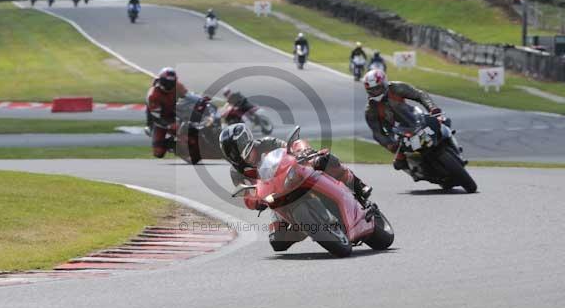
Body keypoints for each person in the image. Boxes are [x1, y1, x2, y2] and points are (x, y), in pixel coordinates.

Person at [219, 123, 372, 251]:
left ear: (246, 140)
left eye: (235, 148)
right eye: (230, 151)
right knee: (277, 241)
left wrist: (303, 151)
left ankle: (358, 185)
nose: (234, 154)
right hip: (277, 198)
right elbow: (247, 193)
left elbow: (290, 148)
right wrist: (255, 201)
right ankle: (311, 227)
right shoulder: (236, 172)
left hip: (296, 176)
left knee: (324, 160)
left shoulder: (267, 143)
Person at [363, 69, 444, 171]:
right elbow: (377, 133)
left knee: (441, 122)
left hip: (415, 118)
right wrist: (389, 144)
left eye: (377, 88)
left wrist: (433, 108)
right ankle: (419, 170)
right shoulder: (371, 110)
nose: (375, 92)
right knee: (399, 164)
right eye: (372, 90)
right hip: (398, 135)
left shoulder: (396, 88)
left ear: (384, 83)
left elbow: (419, 95)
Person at [145, 67, 188, 158]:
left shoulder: (178, 86)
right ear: (161, 80)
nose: (169, 85)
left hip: (175, 115)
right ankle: (170, 143)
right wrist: (169, 125)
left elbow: (188, 96)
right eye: (166, 82)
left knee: (185, 133)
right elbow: (156, 117)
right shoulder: (153, 95)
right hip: (159, 120)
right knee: (158, 153)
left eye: (172, 82)